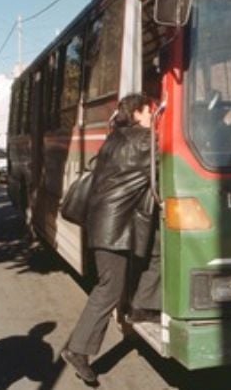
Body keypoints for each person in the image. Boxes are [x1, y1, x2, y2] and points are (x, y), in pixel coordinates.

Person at [61, 94, 160, 383]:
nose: (153, 115)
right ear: (139, 113)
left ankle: (142, 307)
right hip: (113, 228)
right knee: (109, 288)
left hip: (105, 224)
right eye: (149, 110)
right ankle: (77, 349)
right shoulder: (144, 140)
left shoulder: (114, 138)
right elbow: (166, 167)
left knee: (152, 255)